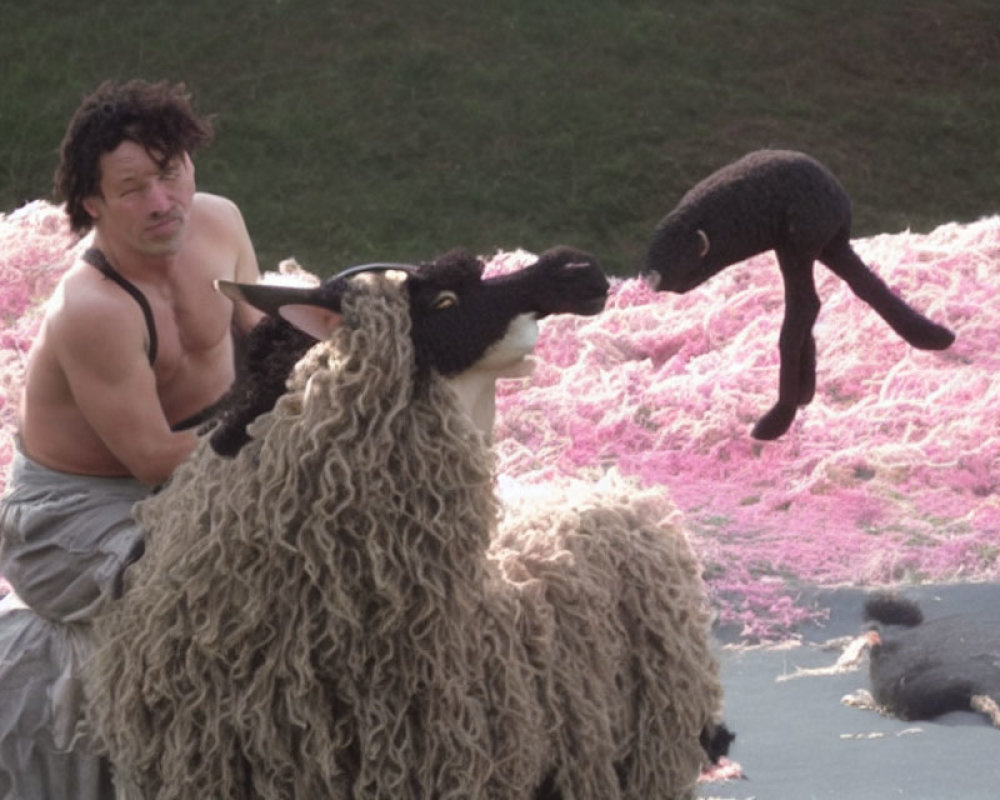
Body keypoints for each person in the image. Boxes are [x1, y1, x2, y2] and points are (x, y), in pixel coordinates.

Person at [0, 79, 263, 799]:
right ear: (92, 202)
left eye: (170, 171)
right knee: (219, 585)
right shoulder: (92, 307)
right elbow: (150, 456)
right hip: (79, 515)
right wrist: (284, 438)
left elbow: (272, 345)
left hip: (198, 468)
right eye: (133, 188)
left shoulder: (220, 224)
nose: (161, 202)